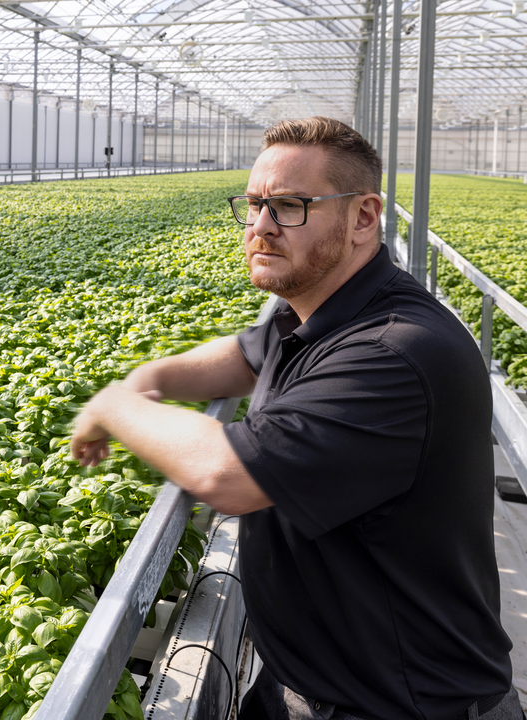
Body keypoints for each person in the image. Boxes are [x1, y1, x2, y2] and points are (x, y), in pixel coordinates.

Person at [70, 116, 523, 720]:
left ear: (364, 217)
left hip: (399, 704)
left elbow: (225, 474)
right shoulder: (323, 311)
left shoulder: (394, 352)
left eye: (289, 206)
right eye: (254, 205)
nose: (260, 226)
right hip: (312, 680)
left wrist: (113, 405)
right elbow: (245, 356)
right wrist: (152, 378)